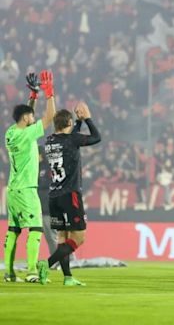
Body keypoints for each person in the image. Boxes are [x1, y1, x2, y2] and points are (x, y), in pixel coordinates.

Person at [37, 102, 101, 286]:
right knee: (79, 237)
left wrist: (76, 123)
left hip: (54, 196)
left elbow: (69, 137)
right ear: (69, 124)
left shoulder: (49, 141)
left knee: (63, 237)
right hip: (70, 195)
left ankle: (68, 277)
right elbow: (97, 137)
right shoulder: (71, 140)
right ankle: (47, 264)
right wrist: (87, 118)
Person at [3, 71, 56, 283]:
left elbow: (27, 117)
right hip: (27, 190)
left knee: (13, 231)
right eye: (31, 117)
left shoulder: (11, 133)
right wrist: (48, 93)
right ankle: (32, 271)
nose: (33, 118)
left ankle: (9, 272)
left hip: (12, 190)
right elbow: (50, 118)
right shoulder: (28, 134)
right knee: (35, 229)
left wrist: (33, 97)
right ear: (26, 118)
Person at [38, 145, 57, 256]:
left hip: (48, 208)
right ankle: (56, 260)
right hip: (40, 207)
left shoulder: (49, 167)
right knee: (49, 237)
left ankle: (68, 261)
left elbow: (52, 184)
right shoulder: (36, 167)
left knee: (54, 235)